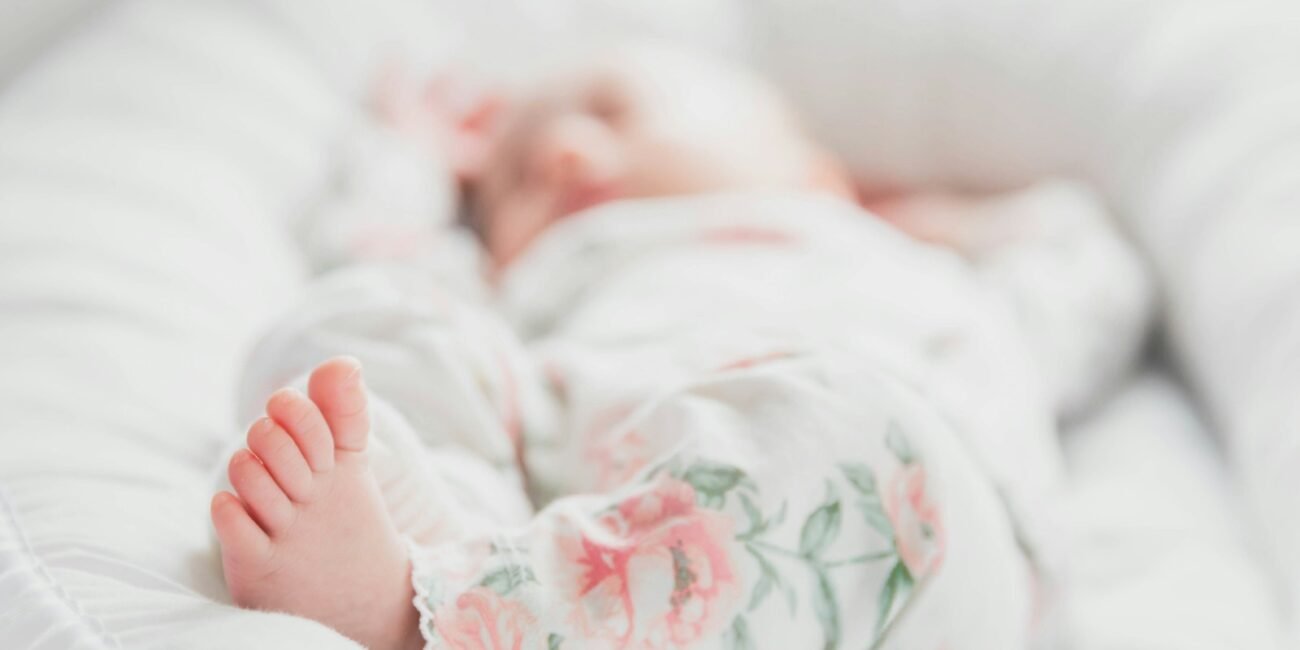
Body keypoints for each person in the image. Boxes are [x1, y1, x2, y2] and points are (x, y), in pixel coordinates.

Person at [210, 44, 1150, 649]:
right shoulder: (534, 282)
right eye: (516, 182)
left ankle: (443, 615)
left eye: (614, 113)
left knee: (843, 434)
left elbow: (1092, 266)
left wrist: (906, 215)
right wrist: (411, 154)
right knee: (366, 323)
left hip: (903, 566)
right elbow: (383, 250)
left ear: (814, 166)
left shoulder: (903, 270)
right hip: (580, 497)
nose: (564, 153)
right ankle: (443, 553)